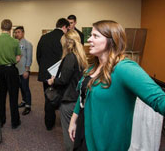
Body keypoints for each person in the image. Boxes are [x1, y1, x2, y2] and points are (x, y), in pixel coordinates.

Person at [68, 20, 165, 150]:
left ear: (112, 40)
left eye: (96, 36)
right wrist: (73, 121)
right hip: (84, 128)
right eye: (91, 35)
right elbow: (83, 96)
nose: (89, 39)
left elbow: (159, 99)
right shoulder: (92, 67)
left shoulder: (124, 68)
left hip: (105, 140)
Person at [47, 30, 88, 151]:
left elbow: (63, 80)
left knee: (69, 134)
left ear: (67, 43)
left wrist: (53, 81)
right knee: (77, 132)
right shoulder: (81, 57)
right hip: (77, 98)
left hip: (69, 100)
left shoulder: (70, 57)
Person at [36, 18, 70, 130]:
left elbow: (38, 56)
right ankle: (64, 121)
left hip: (46, 74)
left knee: (48, 97)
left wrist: (45, 69)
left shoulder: (44, 37)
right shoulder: (64, 38)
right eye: (68, 28)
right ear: (64, 27)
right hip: (60, 75)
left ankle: (49, 124)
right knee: (63, 96)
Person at [0, 19, 22, 129]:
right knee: (13, 96)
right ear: (11, 28)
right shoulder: (14, 42)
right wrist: (12, 60)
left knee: (1, 96)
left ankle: (1, 120)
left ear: (1, 27)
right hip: (11, 70)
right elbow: (18, 58)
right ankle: (15, 121)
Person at [14, 26, 33, 116]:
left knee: (25, 88)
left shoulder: (27, 44)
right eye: (16, 32)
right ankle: (24, 101)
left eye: (18, 32)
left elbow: (29, 58)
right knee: (21, 87)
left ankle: (28, 106)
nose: (17, 34)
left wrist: (27, 70)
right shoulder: (15, 43)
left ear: (23, 33)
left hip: (24, 70)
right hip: (16, 70)